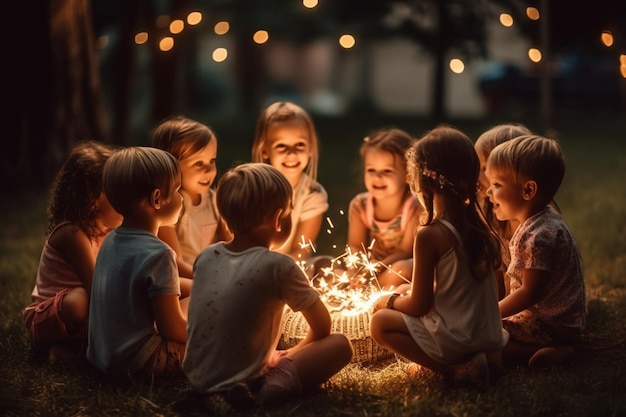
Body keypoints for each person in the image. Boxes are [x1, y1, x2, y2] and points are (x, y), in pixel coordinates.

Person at [183, 163, 353, 410]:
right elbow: (322, 326)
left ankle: (212, 395)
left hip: (198, 376)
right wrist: (286, 355)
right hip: (244, 377)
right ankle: (267, 389)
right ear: (277, 219)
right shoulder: (279, 266)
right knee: (339, 344)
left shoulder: (206, 256)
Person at [369, 125, 508, 386]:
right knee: (403, 289)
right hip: (489, 338)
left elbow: (419, 305)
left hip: (459, 338)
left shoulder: (430, 236)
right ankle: (482, 360)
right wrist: (403, 292)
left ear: (423, 182)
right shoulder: (481, 227)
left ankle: (451, 368)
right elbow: (454, 289)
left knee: (380, 323)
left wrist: (388, 300)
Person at [87, 147, 191, 375]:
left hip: (103, 357)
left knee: (196, 298)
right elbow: (171, 328)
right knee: (217, 344)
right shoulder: (159, 254)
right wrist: (207, 335)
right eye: (176, 191)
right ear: (157, 198)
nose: (181, 198)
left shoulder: (111, 240)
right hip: (141, 361)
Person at [485, 134, 586, 369]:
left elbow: (530, 293)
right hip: (559, 321)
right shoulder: (540, 223)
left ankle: (551, 351)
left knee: (481, 336)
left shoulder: (538, 235)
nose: (489, 193)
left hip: (550, 324)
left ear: (528, 190)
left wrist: (491, 312)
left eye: (497, 185)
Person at [23, 141, 122, 365]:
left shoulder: (112, 227)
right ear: (93, 200)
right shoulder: (72, 233)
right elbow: (97, 285)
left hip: (89, 313)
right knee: (81, 301)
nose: (126, 199)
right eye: (118, 191)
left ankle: (69, 353)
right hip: (50, 318)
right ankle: (80, 354)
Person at [151, 115, 232, 279]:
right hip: (182, 280)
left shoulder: (214, 200)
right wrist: (207, 280)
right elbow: (174, 263)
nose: (209, 170)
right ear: (171, 166)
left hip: (210, 275)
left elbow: (229, 243)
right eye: (198, 164)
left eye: (212, 160)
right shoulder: (169, 207)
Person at [251, 101, 328, 264]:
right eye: (281, 146)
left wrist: (279, 272)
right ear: (265, 150)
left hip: (290, 267)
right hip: (251, 265)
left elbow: (301, 250)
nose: (291, 153)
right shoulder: (250, 189)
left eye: (300, 144)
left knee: (325, 266)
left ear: (311, 149)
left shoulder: (313, 193)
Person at [347, 128, 423, 289]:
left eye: (387, 171)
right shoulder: (360, 205)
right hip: (369, 271)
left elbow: (405, 251)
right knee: (336, 275)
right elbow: (354, 245)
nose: (377, 177)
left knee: (403, 269)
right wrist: (356, 270)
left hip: (393, 270)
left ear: (408, 175)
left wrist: (373, 271)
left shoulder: (414, 207)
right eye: (371, 170)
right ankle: (364, 289)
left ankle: (373, 291)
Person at [475, 123, 532, 299]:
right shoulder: (493, 216)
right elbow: (497, 270)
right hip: (509, 306)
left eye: (485, 169)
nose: (478, 175)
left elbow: (532, 292)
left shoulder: (535, 229)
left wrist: (495, 314)